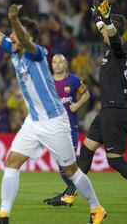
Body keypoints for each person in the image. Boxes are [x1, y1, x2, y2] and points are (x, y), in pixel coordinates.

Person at [0, 0, 106, 224]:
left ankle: (96, 209)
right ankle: (3, 215)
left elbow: (24, 41)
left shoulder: (37, 54)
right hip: (34, 122)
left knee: (71, 172)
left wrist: (14, 19)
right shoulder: (13, 50)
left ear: (26, 37)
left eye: (14, 34)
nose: (10, 37)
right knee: (11, 163)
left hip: (55, 122)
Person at [61, 0, 127, 206]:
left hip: (116, 109)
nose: (101, 32)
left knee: (114, 159)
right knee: (86, 151)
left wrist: (105, 19)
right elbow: (105, 31)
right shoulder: (111, 49)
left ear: (112, 29)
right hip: (107, 109)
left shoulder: (120, 49)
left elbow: (113, 37)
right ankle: (68, 195)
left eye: (105, 28)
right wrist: (97, 17)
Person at [43, 53, 90, 206]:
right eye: (54, 62)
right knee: (62, 166)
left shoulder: (74, 80)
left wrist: (77, 105)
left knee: (69, 162)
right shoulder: (47, 81)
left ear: (66, 65)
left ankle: (72, 194)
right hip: (54, 128)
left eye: (60, 62)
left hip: (70, 127)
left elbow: (86, 94)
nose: (57, 65)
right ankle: (71, 192)